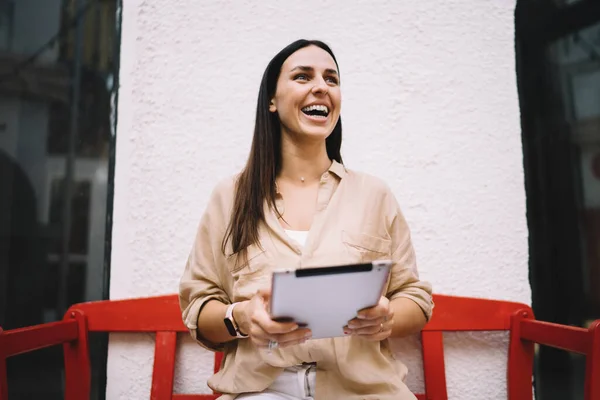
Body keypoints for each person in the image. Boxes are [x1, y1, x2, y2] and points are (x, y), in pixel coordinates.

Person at [179, 39, 433, 400]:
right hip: (261, 390)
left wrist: (387, 316)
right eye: (303, 76)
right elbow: (199, 306)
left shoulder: (374, 194)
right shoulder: (230, 197)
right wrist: (242, 318)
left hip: (363, 391)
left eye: (332, 79)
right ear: (271, 99)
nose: (321, 87)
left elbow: (415, 298)